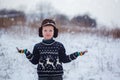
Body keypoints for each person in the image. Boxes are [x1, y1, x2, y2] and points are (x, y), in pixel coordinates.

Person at [17, 19, 88, 80]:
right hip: (42, 77)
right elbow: (35, 61)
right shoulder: (37, 46)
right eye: (45, 30)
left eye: (50, 30)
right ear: (41, 32)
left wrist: (77, 54)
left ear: (54, 32)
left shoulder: (59, 46)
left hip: (57, 77)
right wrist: (26, 52)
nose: (48, 32)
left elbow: (64, 59)